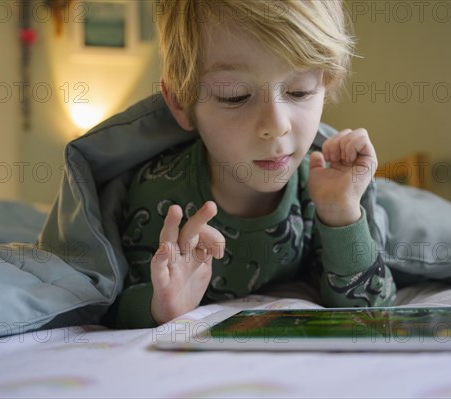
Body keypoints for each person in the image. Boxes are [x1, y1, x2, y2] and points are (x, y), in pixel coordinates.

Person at [114, 0, 397, 328]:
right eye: (235, 96)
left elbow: (372, 309)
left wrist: (340, 212)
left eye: (299, 91)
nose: (276, 125)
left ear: (326, 84)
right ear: (181, 101)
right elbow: (109, 305)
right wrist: (160, 306)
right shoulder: (159, 197)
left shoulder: (318, 188)